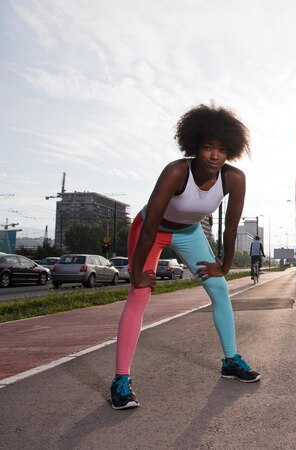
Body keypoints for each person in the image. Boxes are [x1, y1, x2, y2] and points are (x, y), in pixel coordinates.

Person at [110, 103, 261, 410]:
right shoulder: (176, 172)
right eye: (207, 148)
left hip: (190, 233)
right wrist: (136, 272)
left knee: (220, 290)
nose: (215, 155)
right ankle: (120, 380)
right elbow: (150, 226)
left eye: (221, 149)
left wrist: (225, 265)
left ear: (230, 149)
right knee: (139, 295)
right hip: (152, 230)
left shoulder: (234, 178)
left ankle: (231, 360)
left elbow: (230, 228)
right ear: (195, 147)